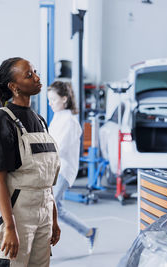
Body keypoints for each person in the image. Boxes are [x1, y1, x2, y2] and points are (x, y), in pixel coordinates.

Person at [0, 57, 61, 267]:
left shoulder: (40, 121)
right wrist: (9, 227)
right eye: (29, 75)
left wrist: (53, 218)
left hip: (43, 209)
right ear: (13, 87)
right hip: (16, 212)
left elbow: (45, 177)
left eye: (35, 72)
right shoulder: (3, 120)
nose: (37, 78)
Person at [47, 81, 98, 254]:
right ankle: (89, 232)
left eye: (53, 100)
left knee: (48, 207)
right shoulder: (58, 117)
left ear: (64, 99)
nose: (50, 103)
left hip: (63, 170)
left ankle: (42, 249)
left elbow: (58, 147)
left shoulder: (69, 121)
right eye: (49, 100)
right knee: (56, 209)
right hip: (53, 169)